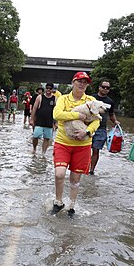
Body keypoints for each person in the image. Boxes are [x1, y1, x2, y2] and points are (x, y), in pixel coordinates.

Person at [52, 72, 98, 217]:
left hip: (83, 145)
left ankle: (71, 206)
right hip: (63, 142)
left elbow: (97, 120)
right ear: (73, 82)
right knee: (59, 174)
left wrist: (87, 132)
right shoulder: (63, 99)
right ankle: (58, 202)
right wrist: (77, 115)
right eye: (79, 81)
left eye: (85, 82)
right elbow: (57, 114)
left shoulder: (91, 100)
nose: (82, 84)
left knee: (75, 178)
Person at [89, 80, 120, 175]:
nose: (105, 89)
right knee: (85, 149)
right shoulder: (91, 98)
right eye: (103, 87)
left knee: (96, 150)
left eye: (107, 88)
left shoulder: (110, 101)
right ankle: (83, 167)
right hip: (88, 126)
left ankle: (91, 170)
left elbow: (111, 114)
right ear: (99, 87)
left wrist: (115, 121)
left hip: (101, 129)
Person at [30, 83, 61, 154]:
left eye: (50, 88)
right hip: (39, 121)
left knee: (46, 138)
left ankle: (43, 153)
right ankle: (34, 149)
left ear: (52, 89)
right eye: (47, 88)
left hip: (49, 122)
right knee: (35, 136)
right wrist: (32, 119)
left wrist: (56, 123)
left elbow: (57, 111)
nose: (48, 90)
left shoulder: (55, 99)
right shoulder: (40, 97)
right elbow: (34, 109)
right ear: (45, 89)